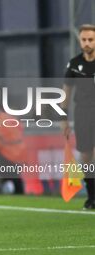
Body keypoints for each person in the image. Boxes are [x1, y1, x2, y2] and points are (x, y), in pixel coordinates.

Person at [60, 24, 95, 209]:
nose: (87, 43)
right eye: (84, 40)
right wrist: (63, 118)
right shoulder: (74, 64)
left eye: (91, 39)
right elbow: (66, 91)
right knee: (86, 156)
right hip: (82, 112)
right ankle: (92, 196)